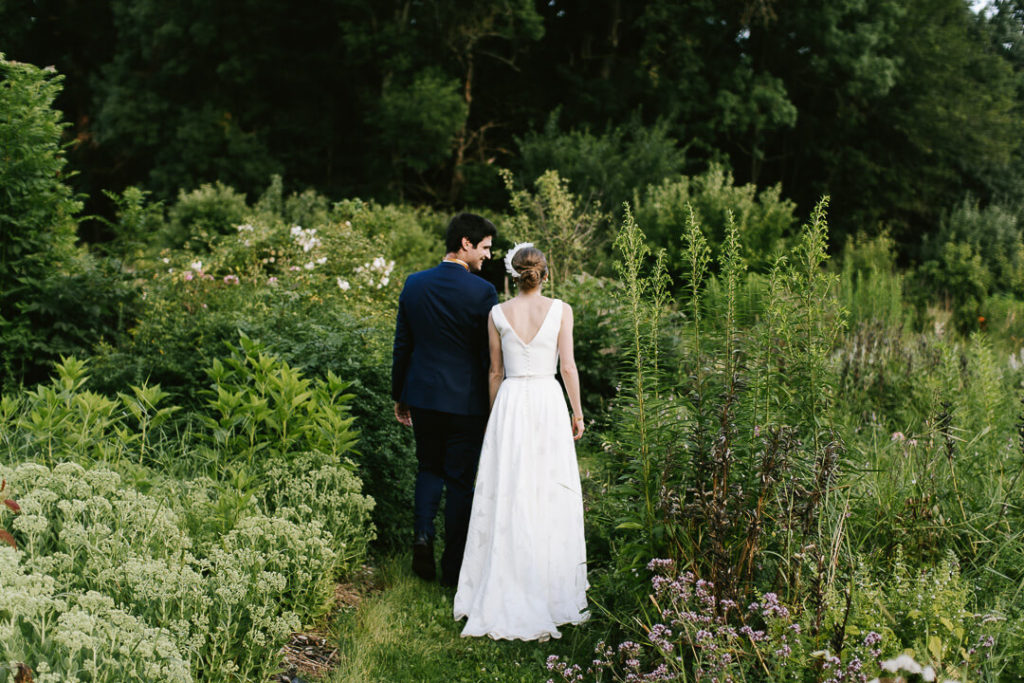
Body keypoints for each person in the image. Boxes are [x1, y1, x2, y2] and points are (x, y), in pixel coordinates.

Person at [453, 243, 589, 641]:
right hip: (547, 401)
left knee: (508, 490)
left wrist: (495, 417)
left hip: (511, 402)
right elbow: (567, 366)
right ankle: (549, 588)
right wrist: (577, 412)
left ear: (512, 276)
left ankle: (503, 579)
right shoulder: (562, 310)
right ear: (545, 274)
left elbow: (495, 372)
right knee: (547, 490)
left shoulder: (497, 313)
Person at [392, 212, 498, 587]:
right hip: (466, 402)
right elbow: (489, 356)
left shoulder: (414, 284)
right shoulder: (483, 292)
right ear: (465, 243)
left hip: (422, 394)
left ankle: (422, 536)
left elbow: (403, 344)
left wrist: (400, 395)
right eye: (485, 247)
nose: (488, 255)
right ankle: (453, 568)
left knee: (428, 468)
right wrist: (493, 404)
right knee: (460, 482)